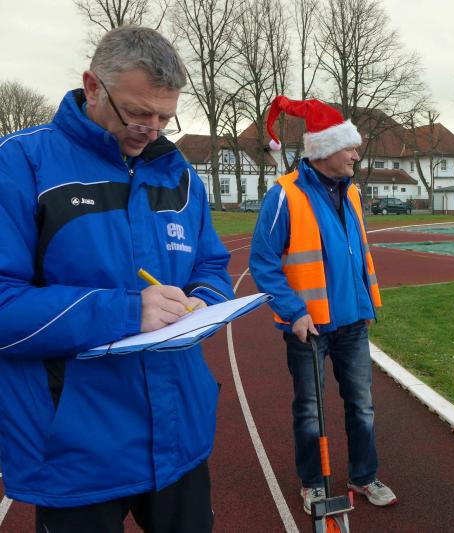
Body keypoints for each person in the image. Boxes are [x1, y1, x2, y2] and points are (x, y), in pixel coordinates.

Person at [0, 26, 234, 533]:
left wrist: (205, 302)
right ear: (92, 86)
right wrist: (129, 311)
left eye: (165, 117)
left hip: (179, 433)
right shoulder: (19, 163)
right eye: (137, 113)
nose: (152, 130)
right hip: (76, 446)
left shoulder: (179, 174)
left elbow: (211, 266)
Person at [249, 96, 397, 516]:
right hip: (308, 327)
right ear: (325, 150)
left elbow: (356, 255)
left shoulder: (353, 194)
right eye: (350, 148)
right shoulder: (284, 195)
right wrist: (294, 312)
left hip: (353, 322)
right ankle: (314, 484)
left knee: (362, 405)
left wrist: (366, 303)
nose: (356, 155)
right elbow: (262, 260)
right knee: (310, 410)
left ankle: (364, 475)